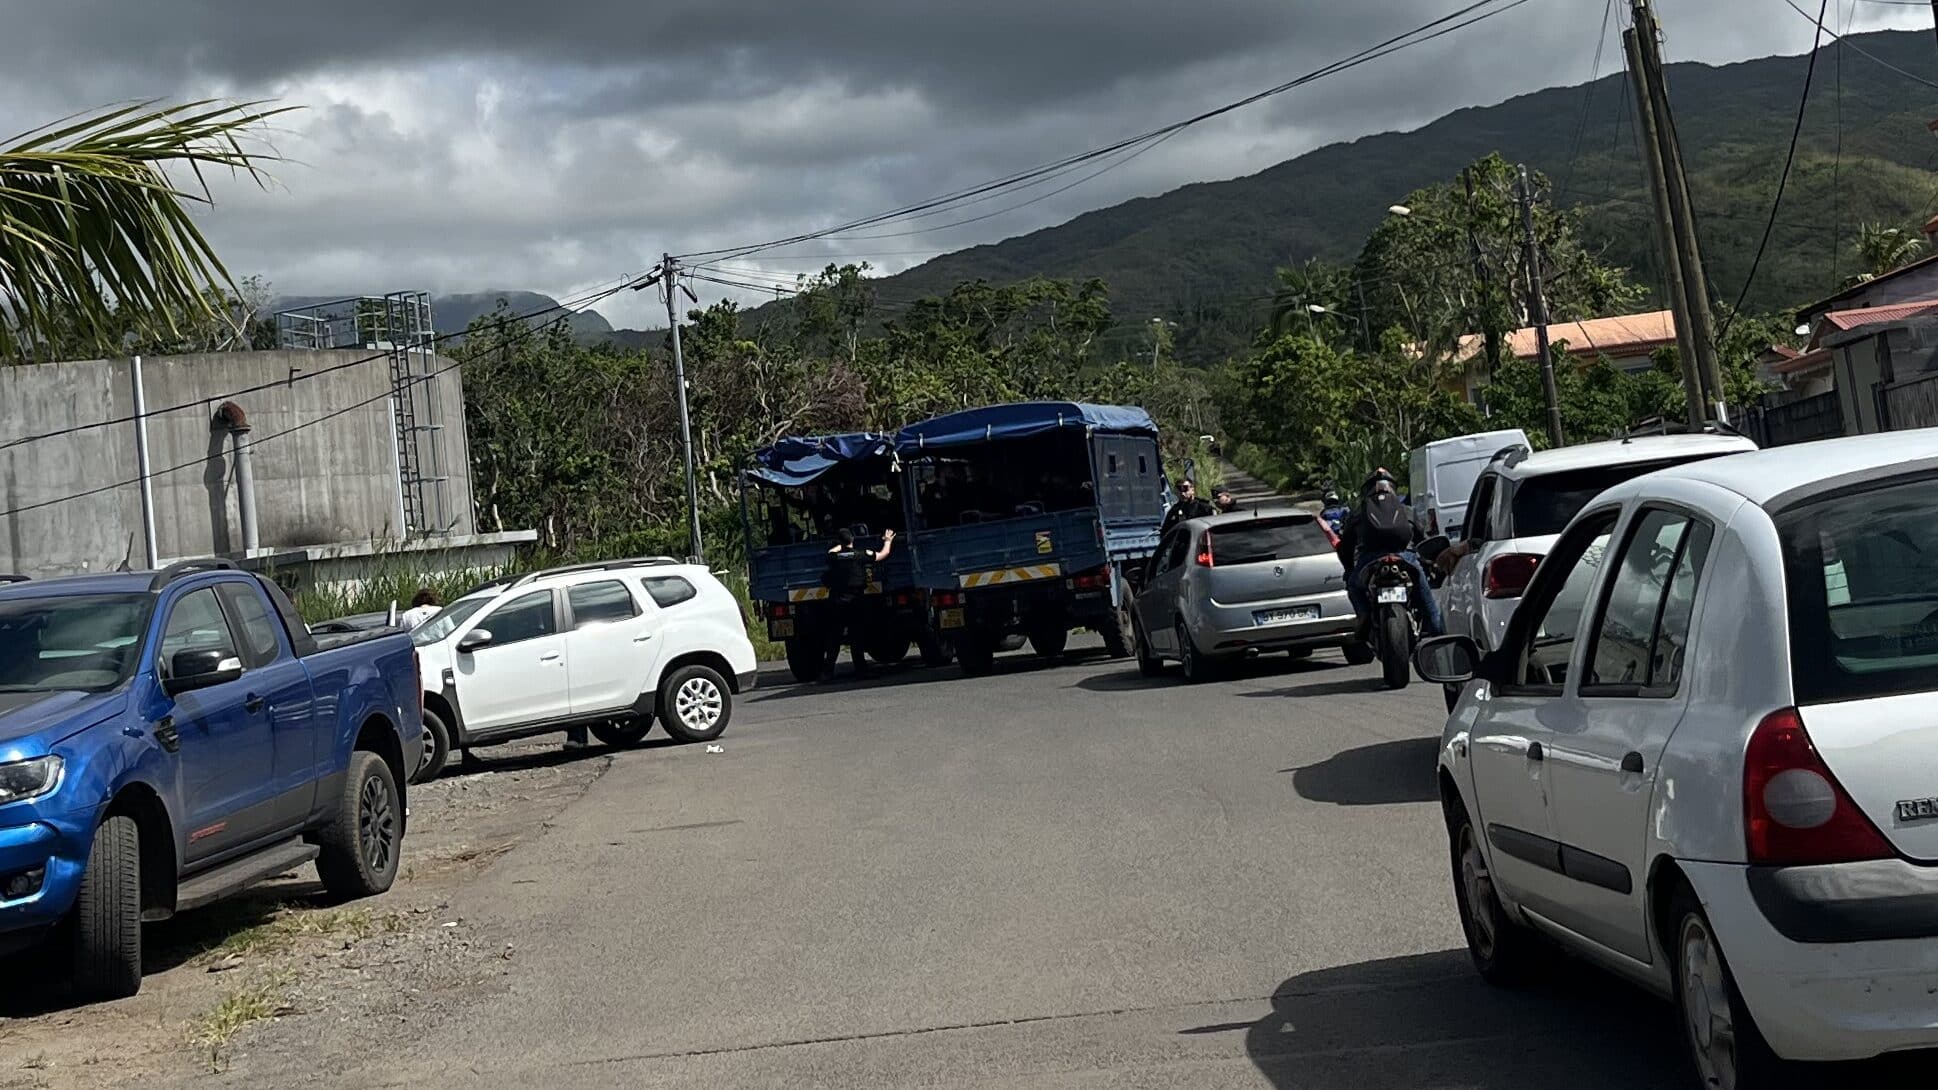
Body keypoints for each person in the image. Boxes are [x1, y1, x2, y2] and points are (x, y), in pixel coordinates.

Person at [1336, 470, 1444, 641]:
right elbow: (1422, 540)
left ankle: (1363, 614)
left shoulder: (1358, 513)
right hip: (1406, 558)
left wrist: (1349, 570)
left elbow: (1345, 547)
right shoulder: (1406, 511)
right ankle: (1440, 636)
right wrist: (1431, 562)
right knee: (1427, 601)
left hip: (1369, 561)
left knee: (1353, 587)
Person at [821, 527, 896, 680]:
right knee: (856, 636)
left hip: (837, 603)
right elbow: (883, 554)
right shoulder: (860, 555)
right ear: (853, 540)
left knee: (834, 638)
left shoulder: (834, 557)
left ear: (840, 542)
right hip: (855, 602)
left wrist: (839, 546)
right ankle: (861, 669)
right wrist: (888, 541)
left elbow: (830, 552)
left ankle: (827, 672)